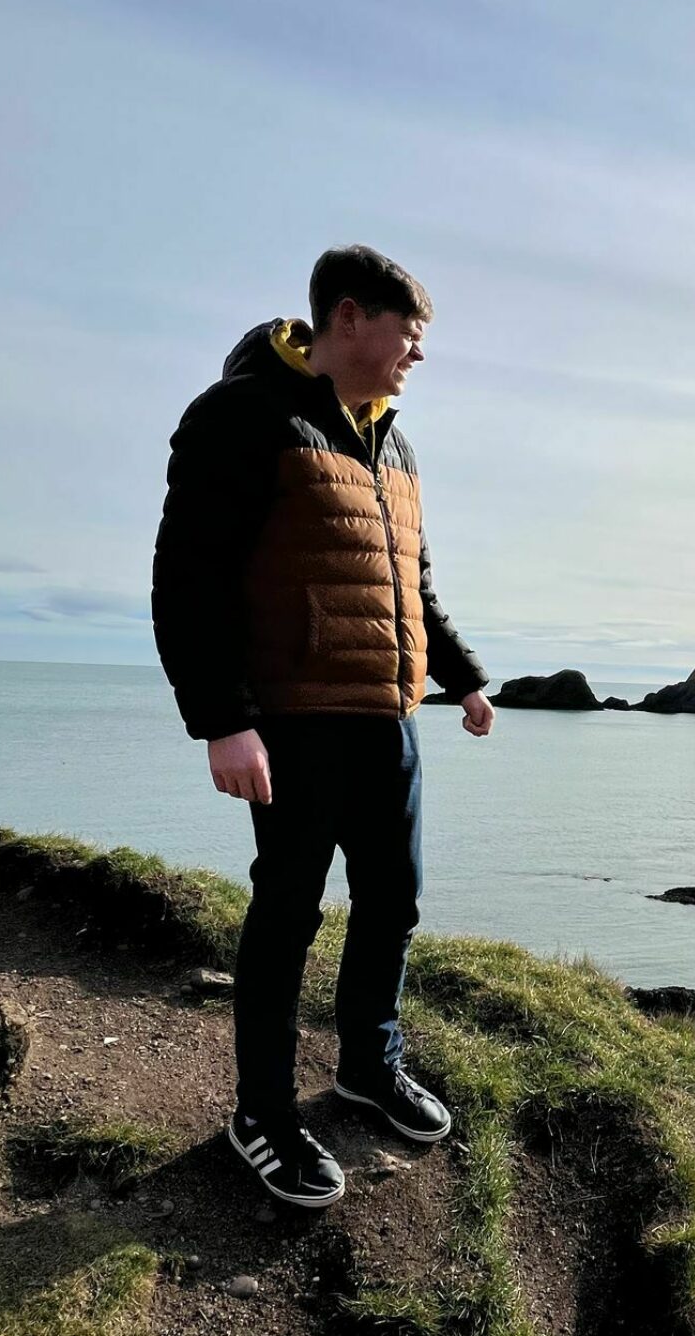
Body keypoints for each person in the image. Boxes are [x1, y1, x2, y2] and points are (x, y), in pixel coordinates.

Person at [151, 244, 493, 1207]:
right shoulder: (243, 416)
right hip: (292, 721)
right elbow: (191, 577)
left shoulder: (393, 442)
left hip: (389, 717)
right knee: (289, 914)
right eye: (409, 334)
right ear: (350, 319)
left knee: (394, 899)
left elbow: (409, 586)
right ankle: (261, 1113)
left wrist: (460, 678)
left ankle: (366, 1068)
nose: (417, 355)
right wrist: (222, 721)